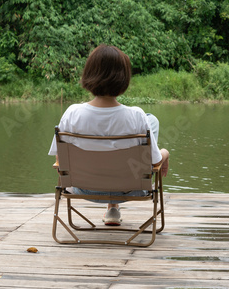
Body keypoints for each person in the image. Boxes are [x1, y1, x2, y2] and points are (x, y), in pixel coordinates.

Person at [48, 44, 169, 226]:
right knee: (151, 121)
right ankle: (113, 206)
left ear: (88, 75)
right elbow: (154, 163)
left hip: (83, 189)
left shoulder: (71, 114)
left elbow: (60, 162)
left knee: (148, 122)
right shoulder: (137, 116)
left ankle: (112, 208)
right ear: (123, 79)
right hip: (131, 190)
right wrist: (165, 154)